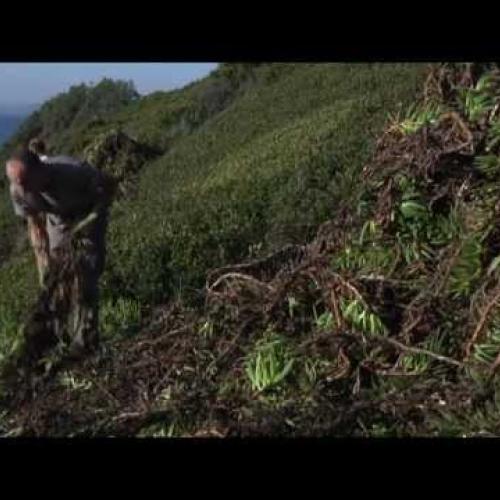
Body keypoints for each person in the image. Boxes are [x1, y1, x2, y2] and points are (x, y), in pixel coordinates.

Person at [5, 148, 115, 358]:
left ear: (40, 170)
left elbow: (107, 189)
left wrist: (88, 222)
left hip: (88, 213)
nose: (23, 188)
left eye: (26, 181)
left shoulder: (73, 171)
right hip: (58, 221)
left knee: (85, 275)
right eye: (18, 183)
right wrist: (44, 257)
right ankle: (58, 337)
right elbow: (34, 220)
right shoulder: (19, 189)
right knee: (57, 282)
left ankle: (87, 339)